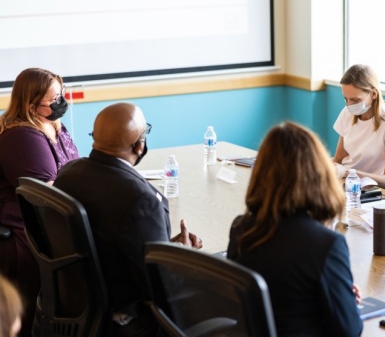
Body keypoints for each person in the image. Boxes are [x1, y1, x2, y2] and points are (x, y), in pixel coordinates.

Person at [53, 102, 202, 336]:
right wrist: (183, 256)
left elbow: (111, 236)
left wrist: (162, 245)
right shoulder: (141, 200)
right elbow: (160, 288)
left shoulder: (68, 174)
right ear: (139, 144)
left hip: (76, 303)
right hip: (125, 316)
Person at [227, 121, 363, 336]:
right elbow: (349, 330)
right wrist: (342, 299)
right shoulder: (326, 243)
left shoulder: (241, 228)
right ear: (318, 174)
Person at [0, 67, 79, 334]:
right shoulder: (21, 136)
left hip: (51, 223)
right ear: (32, 105)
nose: (61, 102)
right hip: (24, 228)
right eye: (54, 99)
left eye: (61, 94)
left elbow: (75, 170)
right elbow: (48, 194)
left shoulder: (54, 125)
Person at [333, 64, 385, 189]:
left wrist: (349, 173)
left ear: (373, 94)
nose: (349, 105)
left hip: (368, 189)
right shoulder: (347, 113)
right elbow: (339, 159)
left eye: (355, 100)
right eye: (346, 99)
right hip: (343, 183)